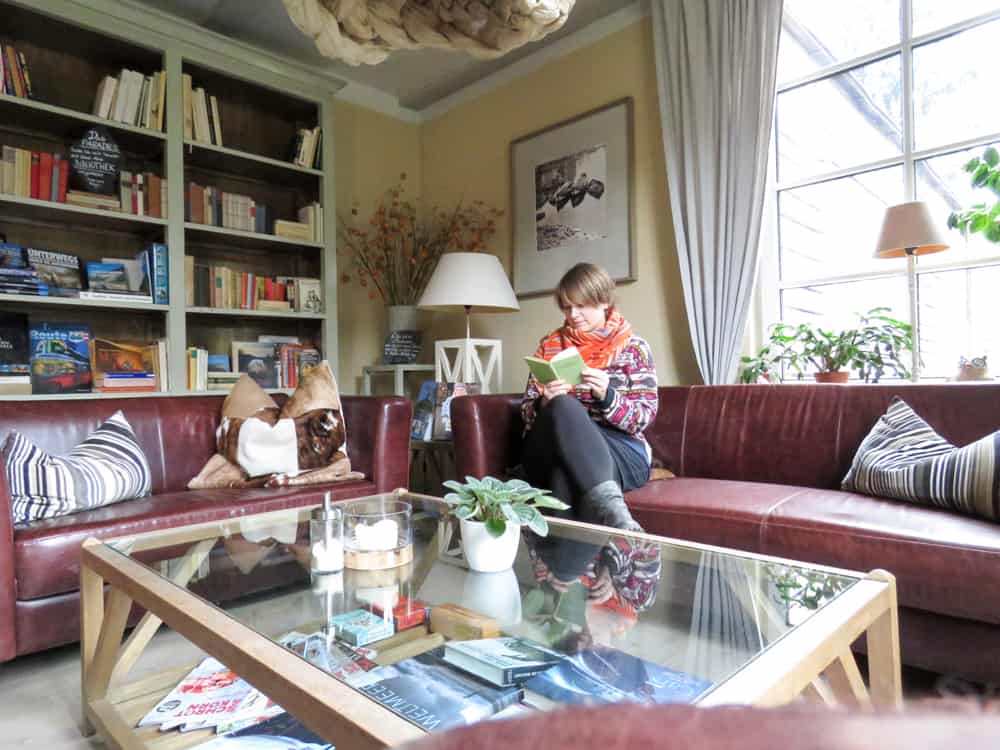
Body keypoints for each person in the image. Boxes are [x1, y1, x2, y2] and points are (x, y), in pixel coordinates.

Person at [520, 262, 657, 532]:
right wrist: (543, 403)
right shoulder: (549, 347)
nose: (573, 315)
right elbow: (525, 412)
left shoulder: (634, 349)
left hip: (619, 448)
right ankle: (619, 524)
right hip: (552, 445)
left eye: (581, 306)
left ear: (604, 301)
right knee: (563, 405)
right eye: (567, 307)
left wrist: (608, 396)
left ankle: (563, 562)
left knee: (563, 476)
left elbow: (642, 418)